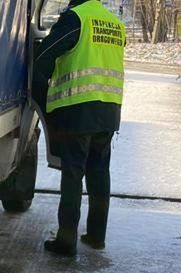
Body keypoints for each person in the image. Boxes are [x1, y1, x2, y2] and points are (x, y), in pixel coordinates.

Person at [34, 0, 126, 256]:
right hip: (109, 109)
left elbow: (43, 57)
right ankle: (96, 236)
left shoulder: (76, 19)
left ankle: (66, 241)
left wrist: (45, 91)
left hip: (78, 109)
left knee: (73, 174)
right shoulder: (115, 23)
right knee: (99, 172)